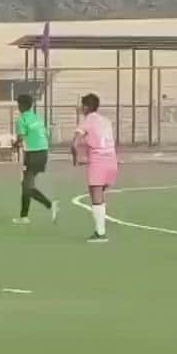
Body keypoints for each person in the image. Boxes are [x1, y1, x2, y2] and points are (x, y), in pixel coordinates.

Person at [73, 93, 118, 243]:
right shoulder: (106, 121)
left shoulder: (87, 121)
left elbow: (74, 143)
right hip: (111, 160)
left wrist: (76, 158)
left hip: (98, 162)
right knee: (100, 195)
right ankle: (100, 229)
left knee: (96, 196)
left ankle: (100, 233)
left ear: (86, 107)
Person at [11, 94, 59, 225]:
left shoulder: (21, 119)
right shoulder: (38, 118)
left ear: (20, 105)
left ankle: (27, 215)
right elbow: (45, 134)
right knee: (27, 185)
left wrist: (14, 145)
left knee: (26, 186)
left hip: (32, 154)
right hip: (43, 152)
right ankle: (31, 212)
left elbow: (20, 138)